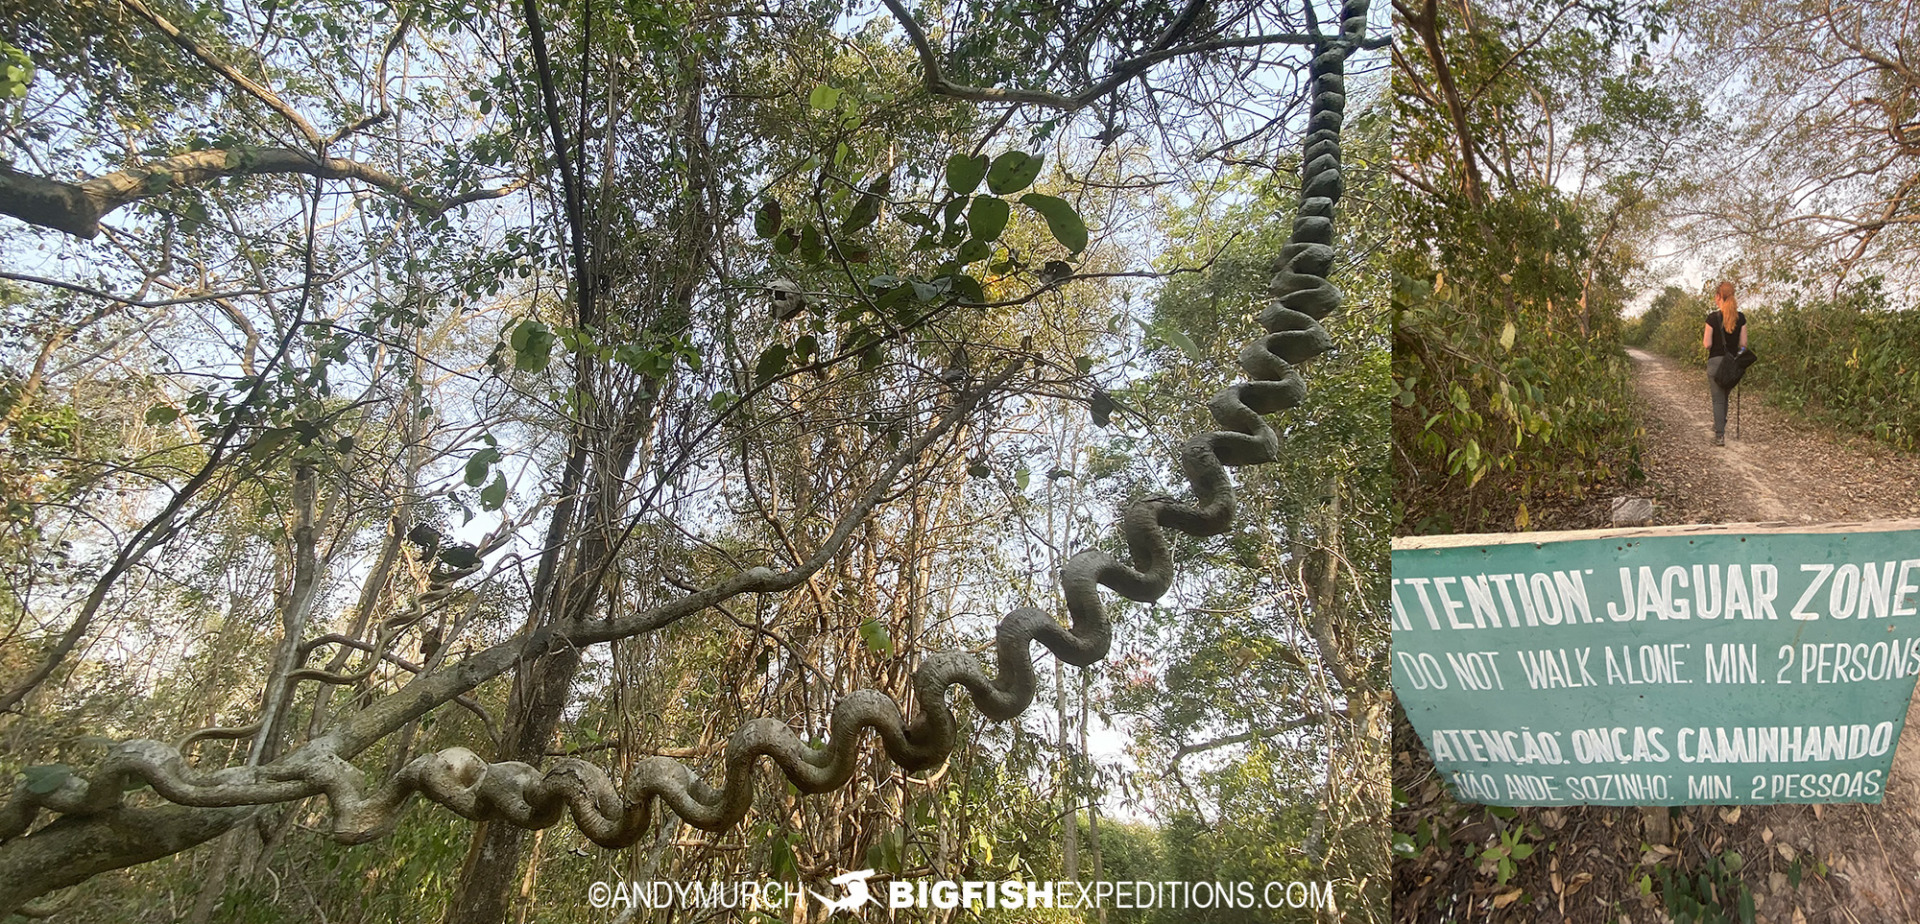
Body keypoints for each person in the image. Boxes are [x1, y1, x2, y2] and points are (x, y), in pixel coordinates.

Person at [1702, 280, 1747, 446]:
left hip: (1715, 362)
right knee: (1725, 397)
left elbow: (1707, 344)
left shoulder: (1712, 318)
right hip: (1731, 363)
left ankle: (1719, 434)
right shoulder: (1740, 318)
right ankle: (1720, 424)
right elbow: (1743, 344)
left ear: (1718, 296)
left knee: (1718, 400)